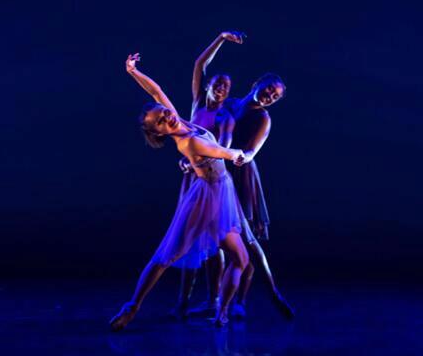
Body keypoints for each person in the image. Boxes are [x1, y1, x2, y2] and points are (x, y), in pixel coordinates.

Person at [109, 53, 251, 331]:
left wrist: (132, 72)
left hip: (222, 192)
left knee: (241, 259)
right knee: (169, 254)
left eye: (164, 113)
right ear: (160, 133)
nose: (166, 117)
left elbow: (156, 91)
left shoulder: (180, 121)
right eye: (160, 122)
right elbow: (219, 152)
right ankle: (132, 306)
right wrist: (238, 154)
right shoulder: (187, 143)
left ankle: (221, 313)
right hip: (207, 197)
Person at [171, 31, 246, 319]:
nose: (222, 89)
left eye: (227, 86)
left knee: (217, 239)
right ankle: (183, 301)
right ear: (209, 86)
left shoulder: (224, 117)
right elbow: (199, 64)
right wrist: (221, 38)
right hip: (192, 180)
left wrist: (193, 162)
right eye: (218, 84)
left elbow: (223, 148)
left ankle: (215, 298)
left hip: (212, 180)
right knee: (188, 236)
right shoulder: (197, 105)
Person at [227, 73, 295, 319]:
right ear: (256, 83)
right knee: (224, 241)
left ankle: (242, 301)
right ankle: (219, 299)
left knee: (248, 238)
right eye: (268, 90)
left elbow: (250, 152)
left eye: (275, 97)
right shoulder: (231, 103)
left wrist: (225, 154)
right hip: (219, 172)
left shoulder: (263, 117)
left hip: (242, 175)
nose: (270, 97)